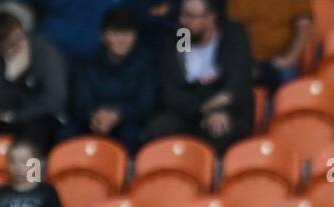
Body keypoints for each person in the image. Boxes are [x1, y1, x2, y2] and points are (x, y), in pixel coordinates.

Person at [145, 0, 255, 152]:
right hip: (189, 110)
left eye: (190, 16)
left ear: (211, 18)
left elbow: (236, 85)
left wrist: (219, 109)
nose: (183, 21)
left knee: (219, 129)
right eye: (182, 14)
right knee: (158, 128)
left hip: (227, 111)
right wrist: (203, 109)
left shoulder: (233, 36)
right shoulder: (182, 36)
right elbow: (174, 86)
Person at [67, 8, 157, 151]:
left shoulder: (147, 64)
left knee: (133, 134)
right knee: (67, 133)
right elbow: (80, 102)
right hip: (92, 120)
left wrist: (118, 114)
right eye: (115, 33)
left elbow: (146, 105)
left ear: (136, 36)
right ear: (103, 35)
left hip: (129, 123)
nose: (121, 39)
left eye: (127, 33)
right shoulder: (87, 63)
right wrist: (95, 115)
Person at [0, 7, 67, 152]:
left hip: (41, 118)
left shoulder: (45, 53)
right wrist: (10, 78)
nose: (18, 46)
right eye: (9, 44)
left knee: (31, 143)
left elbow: (54, 99)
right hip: (6, 119)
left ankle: (32, 175)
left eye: (19, 38)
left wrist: (16, 116)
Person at [225, 0, 312, 89]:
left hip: (281, 58)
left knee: (288, 79)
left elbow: (304, 27)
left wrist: (291, 58)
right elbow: (228, 28)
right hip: (246, 58)